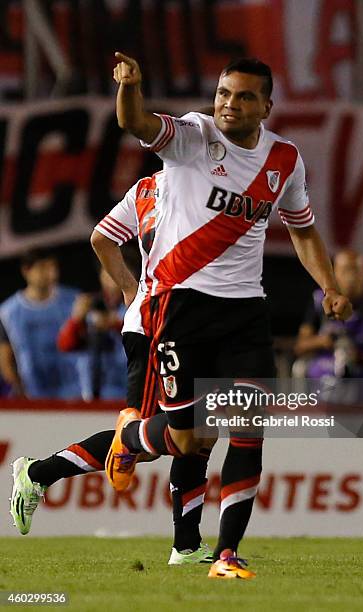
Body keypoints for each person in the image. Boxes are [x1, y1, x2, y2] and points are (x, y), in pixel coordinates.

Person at [105, 52, 352, 579]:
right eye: (223, 93)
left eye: (243, 96)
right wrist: (131, 86)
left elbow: (303, 230)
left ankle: (226, 554)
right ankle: (128, 438)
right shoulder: (193, 137)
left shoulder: (284, 160)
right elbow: (135, 123)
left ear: (266, 105)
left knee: (247, 427)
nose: (229, 105)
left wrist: (329, 286)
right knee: (191, 439)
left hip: (245, 309)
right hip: (181, 306)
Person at [9, 173, 212, 566]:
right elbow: (102, 239)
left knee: (197, 430)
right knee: (175, 431)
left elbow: (102, 237)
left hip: (179, 320)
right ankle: (38, 475)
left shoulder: (149, 186)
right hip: (162, 322)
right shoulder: (198, 186)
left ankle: (186, 545)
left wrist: (131, 292)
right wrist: (134, 292)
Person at [294, 249, 363, 379]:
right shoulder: (319, 301)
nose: (351, 278)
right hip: (324, 377)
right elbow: (300, 346)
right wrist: (322, 341)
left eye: (356, 271)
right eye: (345, 271)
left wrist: (358, 357)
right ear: (334, 273)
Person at [0, 248, 81, 399]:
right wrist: (19, 391)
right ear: (26, 270)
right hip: (34, 397)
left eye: (53, 267)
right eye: (43, 267)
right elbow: (5, 358)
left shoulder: (74, 302)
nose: (50, 273)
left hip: (74, 395)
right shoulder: (8, 312)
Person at [57, 266, 128, 400]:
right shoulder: (90, 304)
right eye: (107, 274)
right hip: (88, 390)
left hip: (124, 388)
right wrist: (76, 320)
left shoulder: (135, 305)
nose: (111, 279)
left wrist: (114, 324)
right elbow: (64, 345)